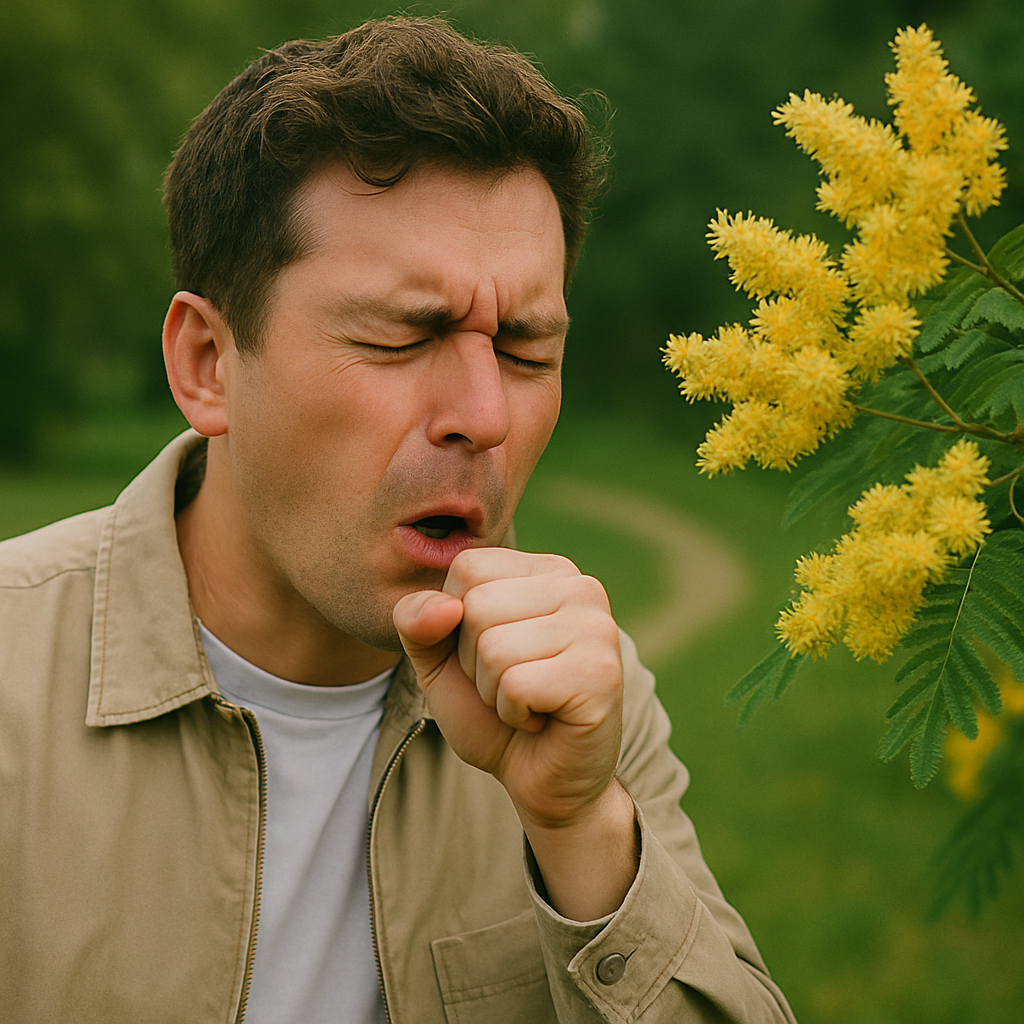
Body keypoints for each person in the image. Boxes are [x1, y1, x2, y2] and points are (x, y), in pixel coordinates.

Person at [0, 16, 796, 1024]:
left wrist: (582, 826)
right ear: (208, 363)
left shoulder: (578, 701)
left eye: (522, 348)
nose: (483, 414)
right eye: (402, 335)